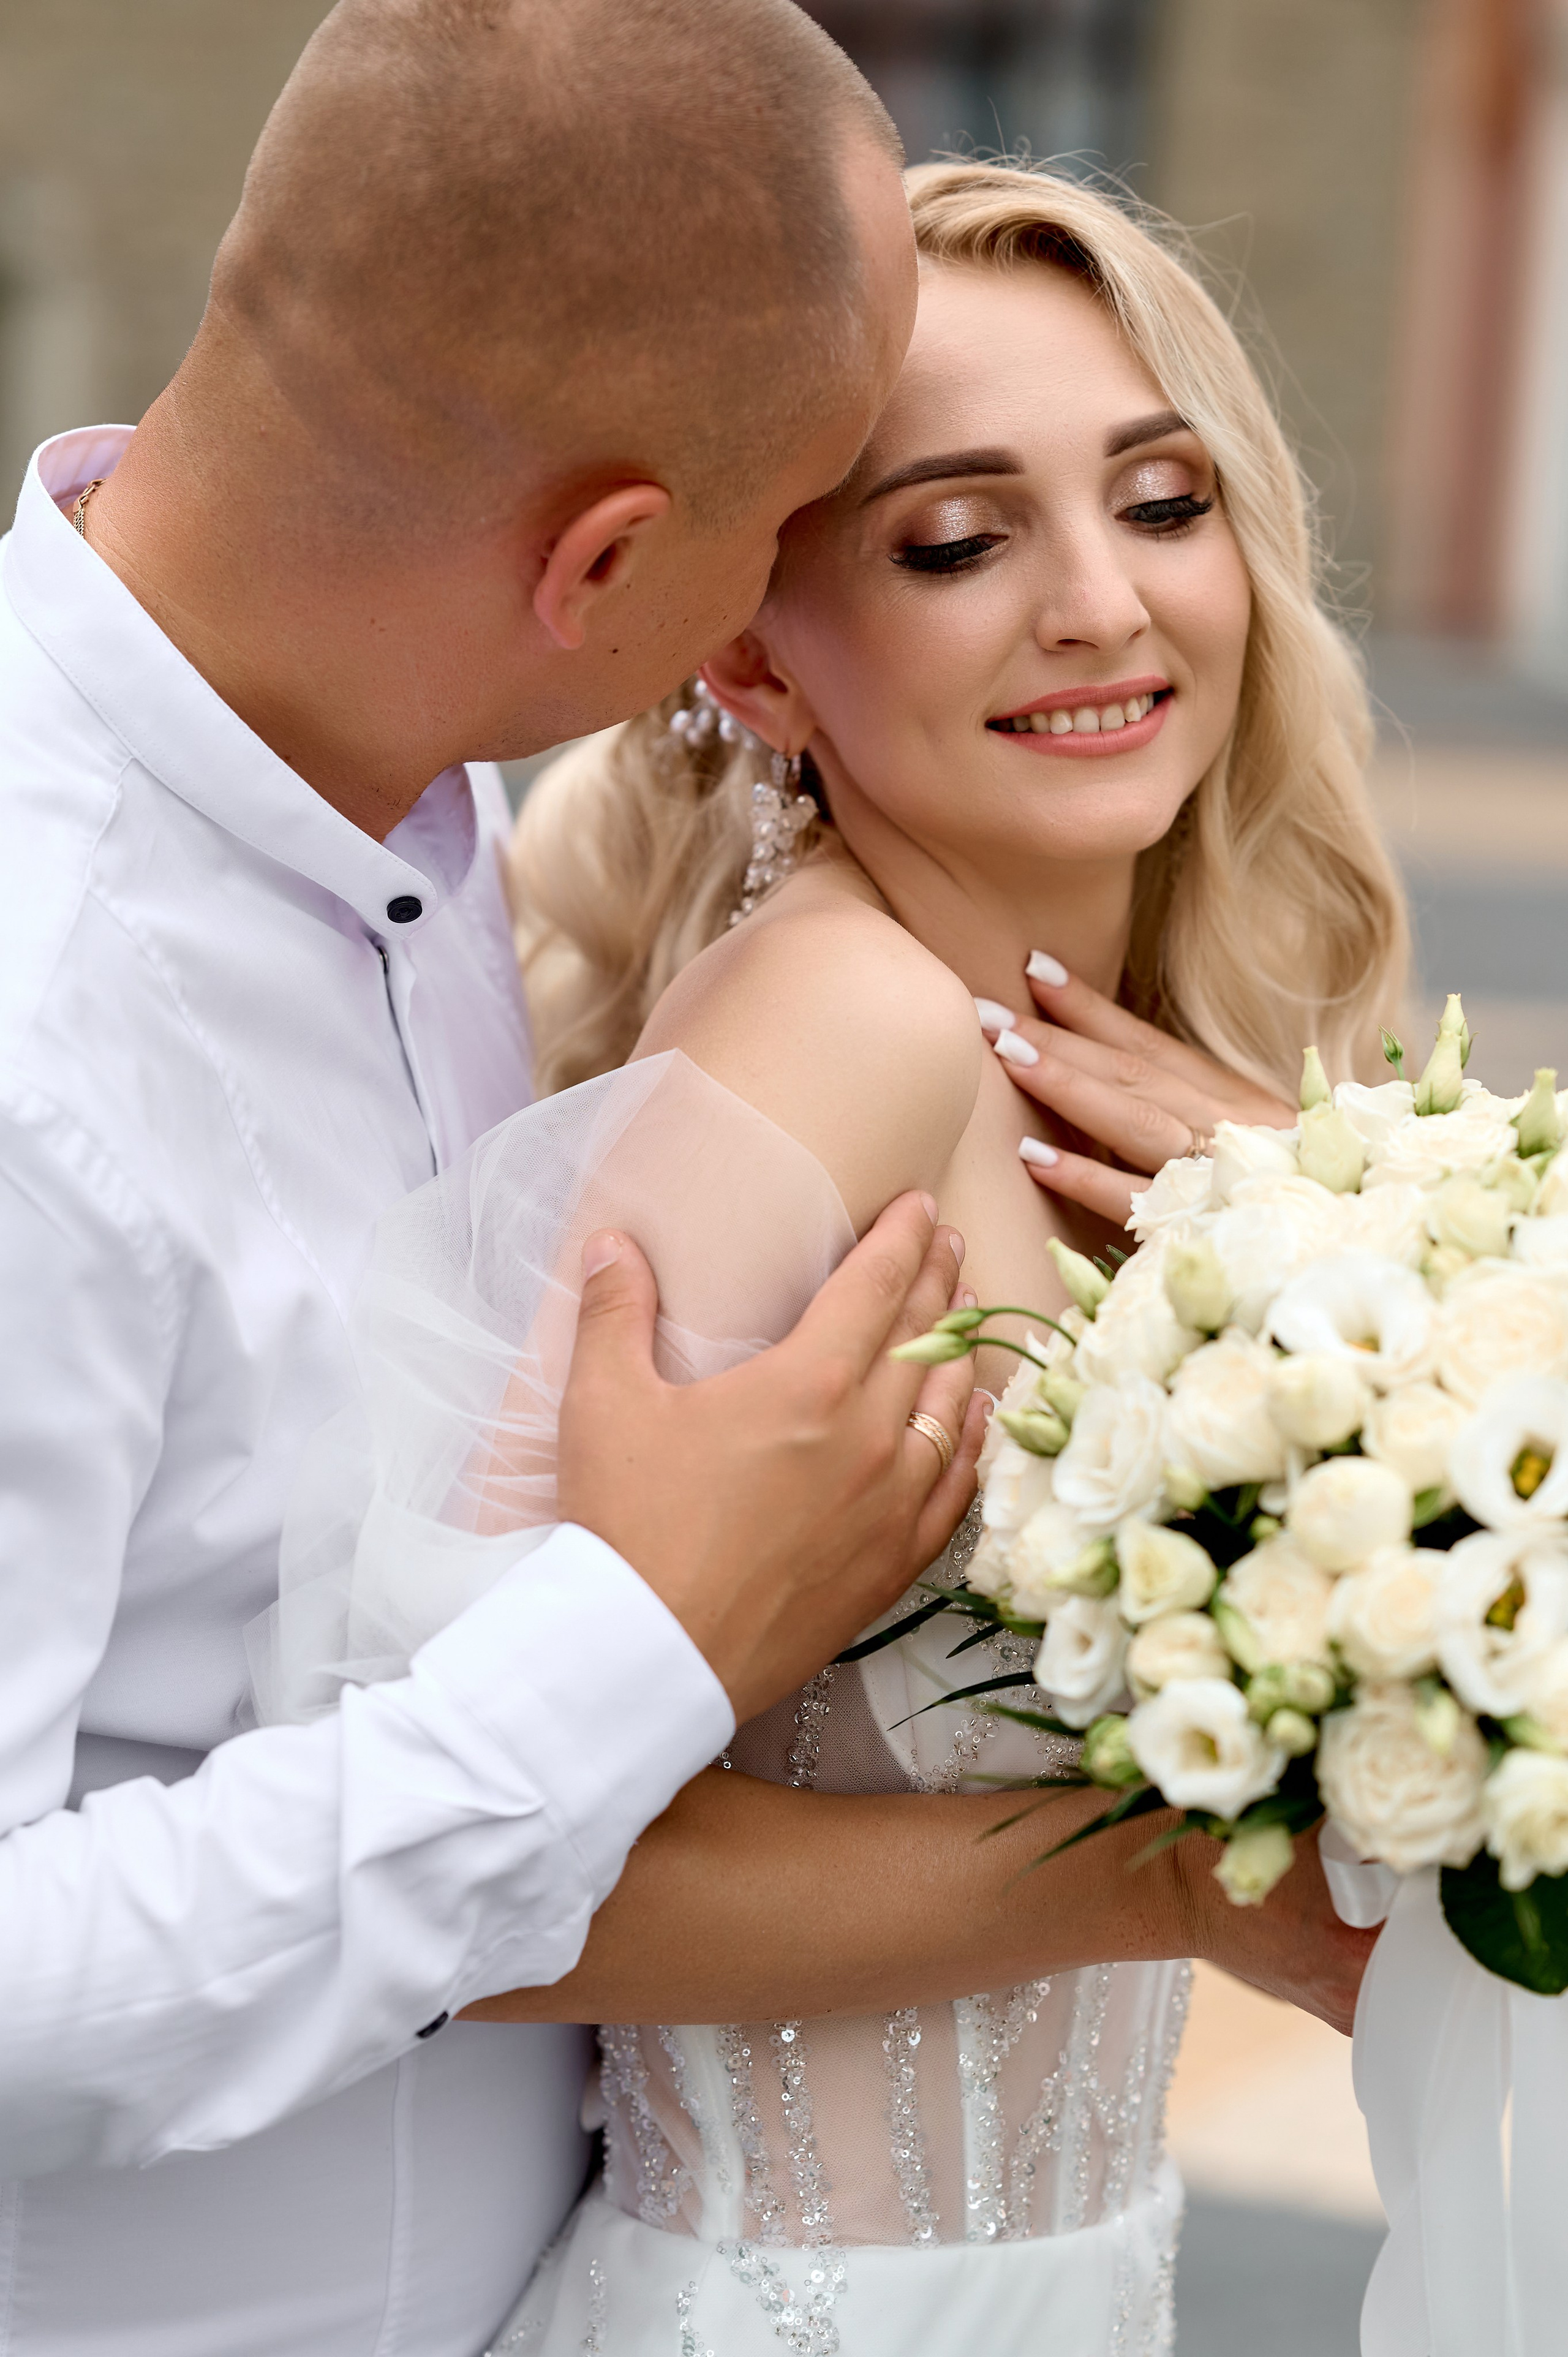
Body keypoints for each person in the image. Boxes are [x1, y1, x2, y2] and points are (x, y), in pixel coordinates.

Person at [0, 6, 979, 2352]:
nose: (767, 623)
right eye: (783, 528)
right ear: (610, 556)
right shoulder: (38, 1036)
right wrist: (647, 1640)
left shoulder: (424, 804)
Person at [455, 159, 1406, 2351]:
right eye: (959, 540)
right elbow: (470, 1879)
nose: (1099, 606)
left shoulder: (1167, 1086)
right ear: (751, 661)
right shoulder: (835, 1037)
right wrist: (1161, 1883)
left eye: (1163, 504)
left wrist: (1331, 1230)